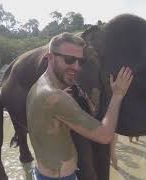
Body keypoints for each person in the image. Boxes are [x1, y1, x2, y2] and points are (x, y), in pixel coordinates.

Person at [26, 32, 133, 179]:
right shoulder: (55, 97)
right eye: (69, 59)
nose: (76, 67)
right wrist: (118, 95)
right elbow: (105, 136)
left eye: (80, 61)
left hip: (43, 172)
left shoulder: (39, 86)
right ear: (50, 58)